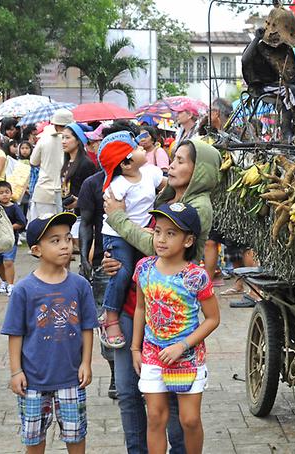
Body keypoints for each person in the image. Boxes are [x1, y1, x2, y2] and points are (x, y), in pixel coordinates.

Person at [102, 137, 219, 454]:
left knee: (175, 411)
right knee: (130, 395)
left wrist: (118, 217)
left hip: (172, 326)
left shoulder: (197, 207)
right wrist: (114, 257)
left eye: (181, 160)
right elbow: (142, 242)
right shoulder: (166, 195)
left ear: (201, 171)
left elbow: (149, 240)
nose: (172, 165)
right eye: (173, 159)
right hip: (136, 306)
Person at [0, 211, 97, 453]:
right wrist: (16, 371)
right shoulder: (24, 289)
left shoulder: (80, 285)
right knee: (33, 438)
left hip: (71, 377)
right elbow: (15, 333)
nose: (65, 245)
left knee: (76, 435)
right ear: (36, 250)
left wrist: (86, 363)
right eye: (55, 240)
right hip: (33, 380)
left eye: (66, 238)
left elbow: (87, 327)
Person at [132, 203, 220, 454]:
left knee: (189, 420)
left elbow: (213, 319)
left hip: (188, 358)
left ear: (188, 240)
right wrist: (135, 348)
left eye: (171, 233)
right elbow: (140, 308)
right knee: (156, 419)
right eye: (158, 231)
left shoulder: (197, 276)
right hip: (152, 355)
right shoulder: (144, 268)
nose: (161, 239)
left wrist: (182, 345)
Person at [98, 132, 165, 348]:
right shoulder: (118, 185)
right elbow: (116, 213)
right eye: (136, 147)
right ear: (126, 164)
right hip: (117, 233)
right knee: (123, 271)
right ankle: (110, 316)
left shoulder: (150, 173)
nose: (142, 147)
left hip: (138, 232)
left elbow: (167, 185)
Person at [30, 109, 74, 221]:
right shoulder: (74, 141)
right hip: (66, 192)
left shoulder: (44, 139)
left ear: (54, 124)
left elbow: (33, 161)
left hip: (44, 190)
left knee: (43, 227)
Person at [61, 123, 98, 230]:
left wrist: (80, 202)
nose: (63, 141)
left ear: (78, 140)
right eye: (62, 137)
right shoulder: (66, 162)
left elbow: (92, 193)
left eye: (67, 138)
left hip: (82, 217)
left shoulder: (86, 164)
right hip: (68, 213)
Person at [0, 181, 26, 296]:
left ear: (11, 193)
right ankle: (4, 282)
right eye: (1, 192)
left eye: (7, 192)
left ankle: (11, 284)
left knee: (8, 262)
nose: (4, 195)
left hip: (11, 241)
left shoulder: (14, 207)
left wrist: (7, 228)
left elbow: (21, 222)